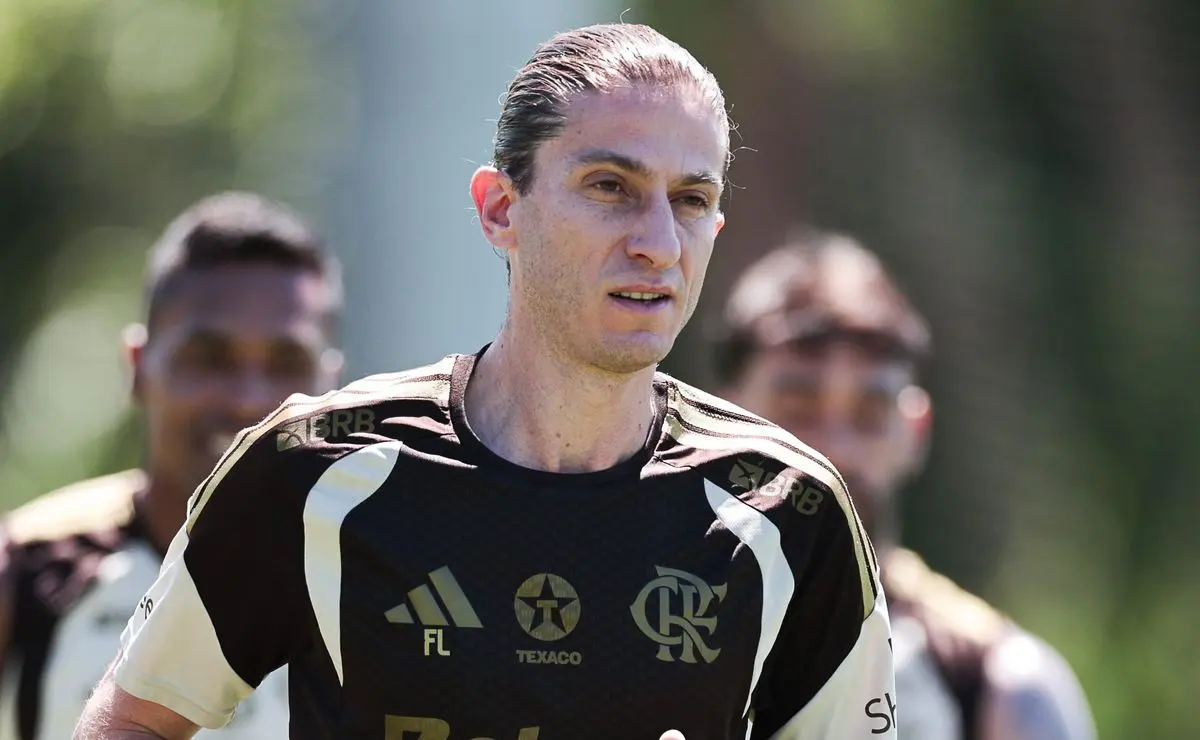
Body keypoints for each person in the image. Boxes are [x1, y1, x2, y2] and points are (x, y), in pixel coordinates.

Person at [74, 24, 896, 740]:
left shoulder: (792, 510)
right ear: (501, 208)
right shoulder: (313, 471)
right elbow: (134, 721)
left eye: (689, 199)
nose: (657, 242)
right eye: (610, 186)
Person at [713, 231, 1098, 739]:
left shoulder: (997, 684)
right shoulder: (653, 623)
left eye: (870, 411)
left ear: (916, 429)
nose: (836, 450)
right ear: (723, 419)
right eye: (799, 405)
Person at [0, 191, 345, 740]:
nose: (247, 400)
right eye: (209, 358)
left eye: (286, 362)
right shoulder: (26, 566)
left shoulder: (382, 572)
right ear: (137, 367)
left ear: (330, 386)